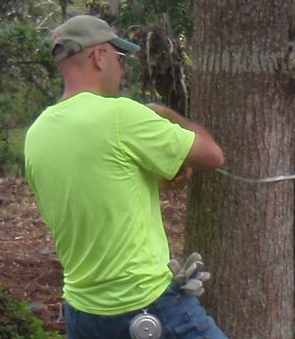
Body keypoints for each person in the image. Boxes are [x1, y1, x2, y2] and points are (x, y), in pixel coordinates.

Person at [24, 15, 228, 339]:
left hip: (82, 313)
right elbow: (212, 155)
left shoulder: (37, 135)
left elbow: (87, 199)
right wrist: (166, 115)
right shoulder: (122, 115)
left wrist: (155, 183)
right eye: (119, 59)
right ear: (98, 56)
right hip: (144, 305)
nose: (122, 71)